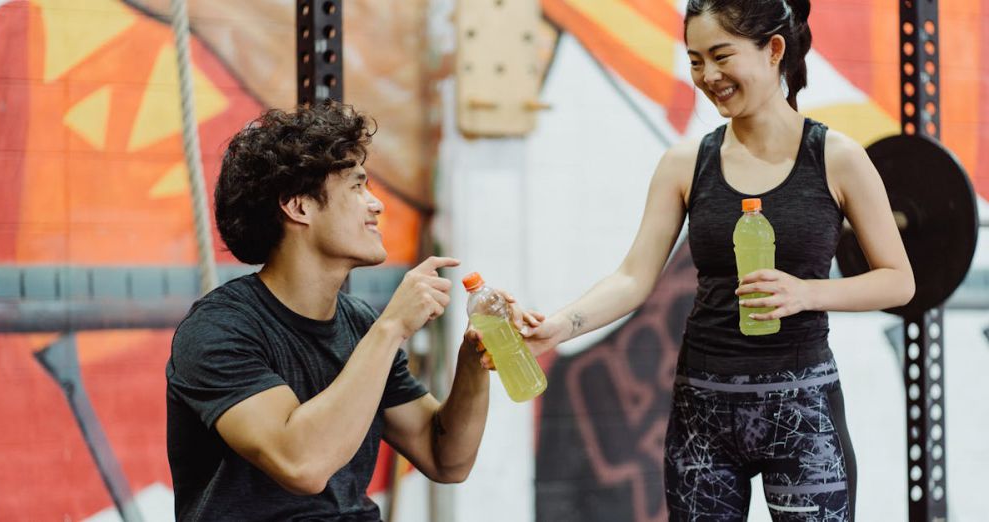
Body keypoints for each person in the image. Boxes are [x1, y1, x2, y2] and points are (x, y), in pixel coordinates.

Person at [504, 0, 914, 520]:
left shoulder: (838, 158)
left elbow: (898, 281)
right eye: (696, 61)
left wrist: (806, 293)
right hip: (703, 412)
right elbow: (634, 277)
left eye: (721, 56)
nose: (708, 76)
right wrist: (561, 326)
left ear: (774, 51)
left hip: (803, 410)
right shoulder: (685, 164)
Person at [166, 101, 534, 520]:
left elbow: (446, 458)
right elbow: (301, 464)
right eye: (357, 187)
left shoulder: (359, 324)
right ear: (298, 206)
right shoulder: (218, 329)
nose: (376, 204)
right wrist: (393, 325)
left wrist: (473, 358)